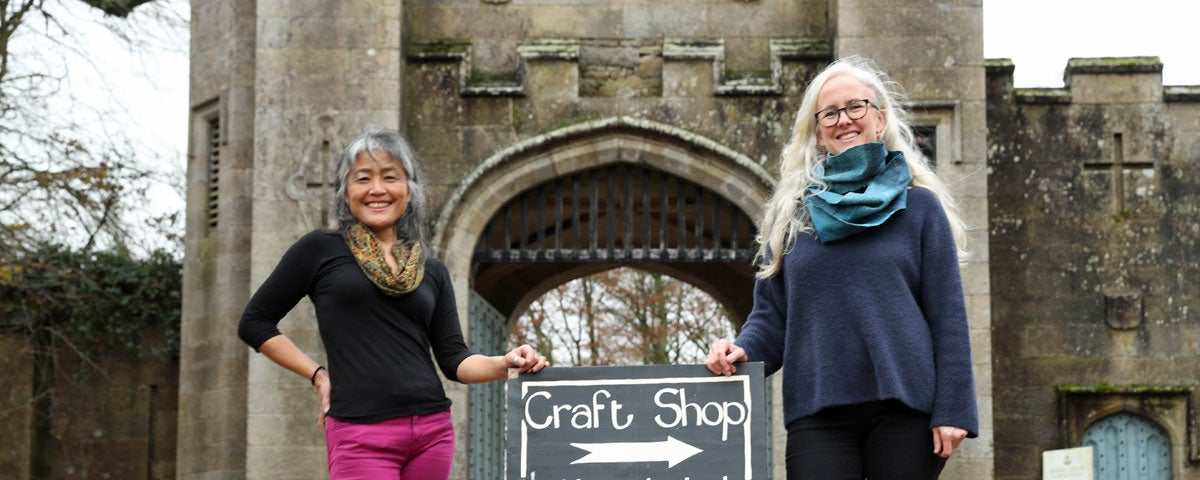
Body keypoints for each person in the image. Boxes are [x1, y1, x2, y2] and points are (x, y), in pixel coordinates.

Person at [705, 56, 977, 479]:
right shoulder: (792, 216)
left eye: (856, 106)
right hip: (818, 409)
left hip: (905, 406)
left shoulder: (920, 207)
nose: (843, 119)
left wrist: (955, 407)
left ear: (880, 118)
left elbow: (948, 316)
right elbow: (770, 316)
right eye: (829, 112)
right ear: (816, 131)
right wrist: (743, 349)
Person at [237, 128, 549, 480]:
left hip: (432, 431)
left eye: (390, 177)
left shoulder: (431, 269)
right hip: (360, 433)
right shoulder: (319, 250)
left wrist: (506, 364)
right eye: (363, 178)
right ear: (346, 191)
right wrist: (318, 375)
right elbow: (255, 321)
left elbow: (454, 361)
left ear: (409, 190)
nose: (377, 189)